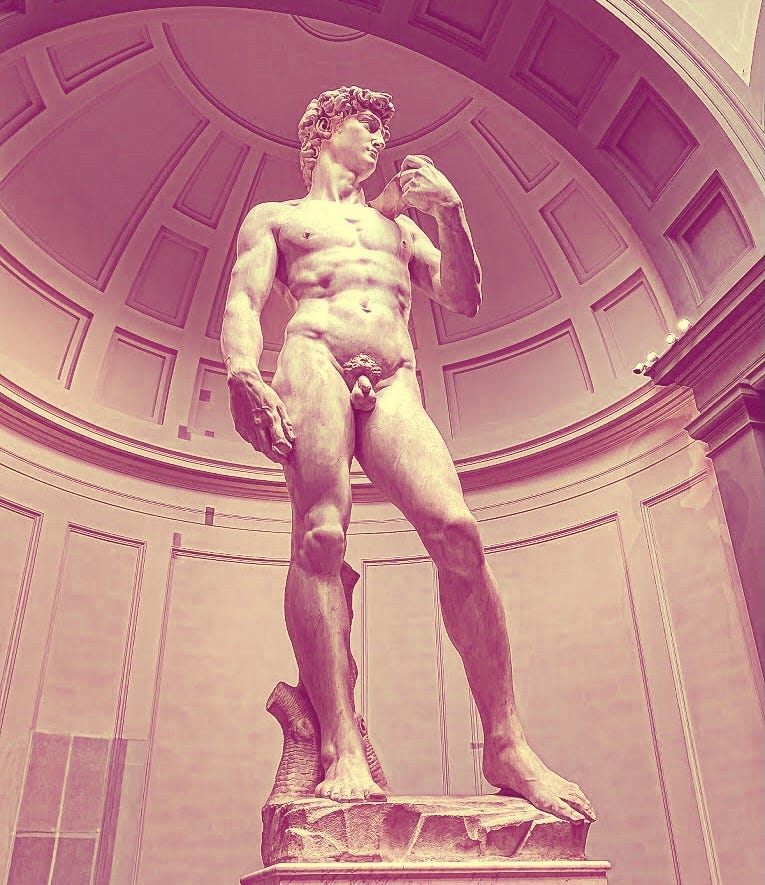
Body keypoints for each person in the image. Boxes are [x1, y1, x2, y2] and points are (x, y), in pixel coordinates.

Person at [221, 86, 595, 823]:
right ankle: (340, 744)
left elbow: (462, 296)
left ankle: (506, 744)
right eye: (366, 126)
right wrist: (240, 372)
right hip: (313, 356)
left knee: (457, 530)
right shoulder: (278, 217)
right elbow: (242, 299)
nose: (378, 140)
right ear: (324, 130)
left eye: (381, 131)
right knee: (321, 537)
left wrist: (450, 212)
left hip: (394, 375)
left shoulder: (396, 227)